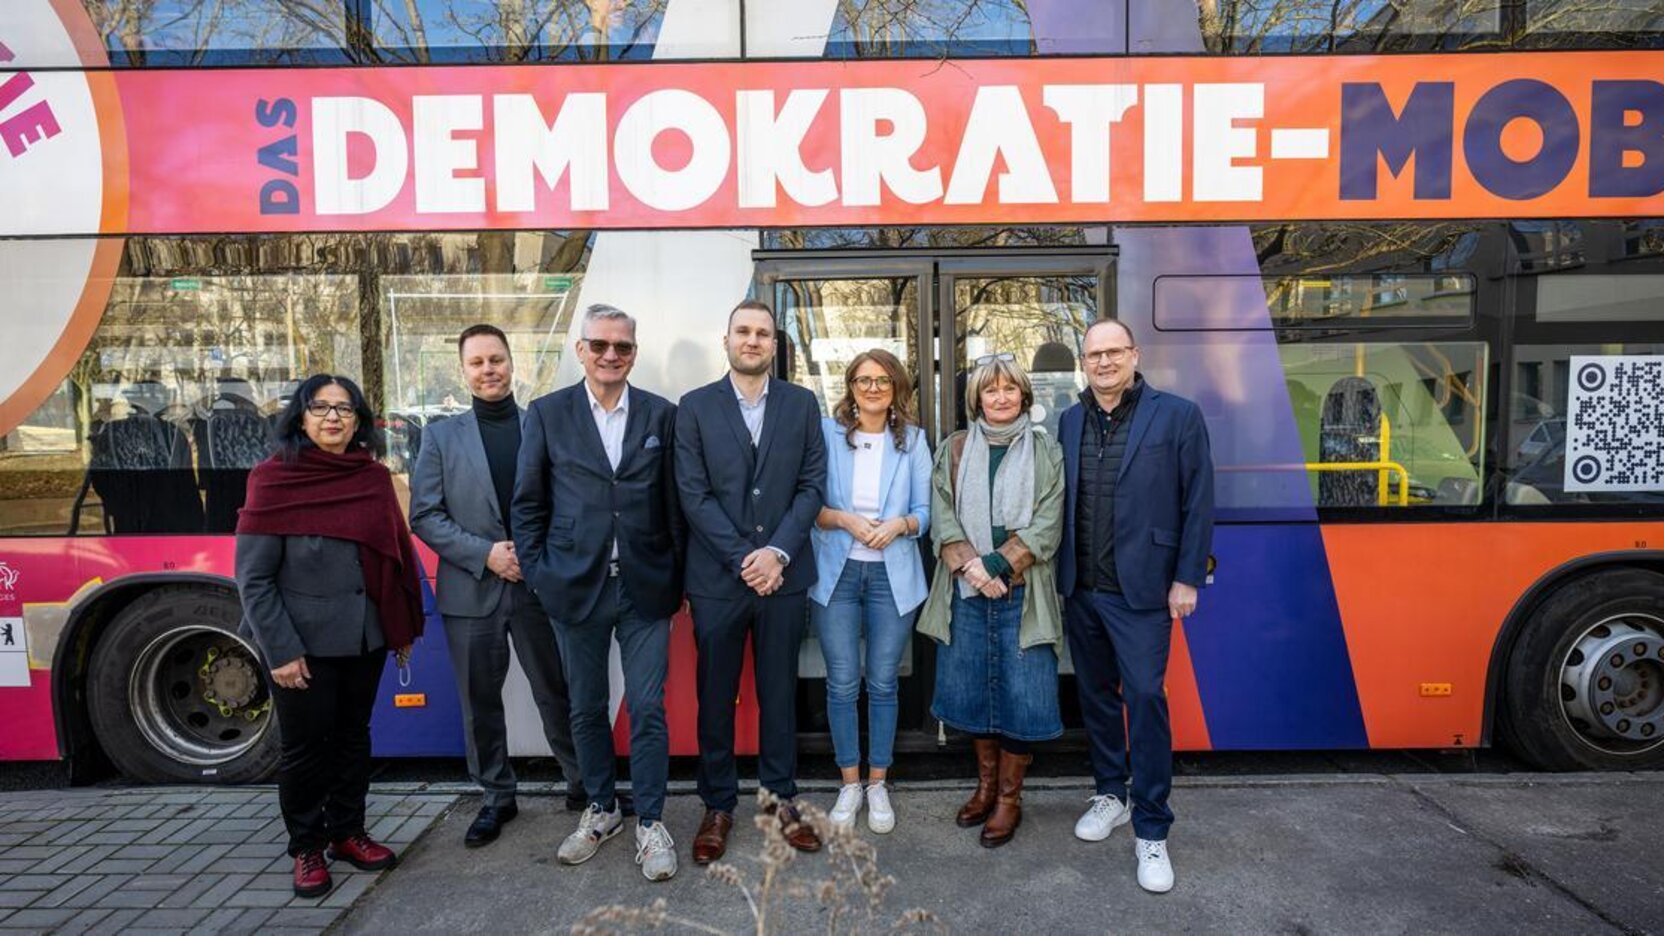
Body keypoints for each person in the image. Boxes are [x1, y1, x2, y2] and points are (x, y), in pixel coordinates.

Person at [513, 304, 684, 882]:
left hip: (645, 588)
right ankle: (602, 809)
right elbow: (528, 504)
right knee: (585, 707)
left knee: (649, 706)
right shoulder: (547, 413)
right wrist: (540, 574)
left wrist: (677, 577)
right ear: (581, 350)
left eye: (623, 347)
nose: (612, 355)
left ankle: (651, 821)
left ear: (634, 352)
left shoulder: (663, 415)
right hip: (574, 586)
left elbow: (675, 505)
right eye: (601, 345)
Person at [235, 374, 423, 899]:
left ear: (359, 421)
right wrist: (282, 650)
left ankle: (348, 833)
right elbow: (253, 578)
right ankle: (306, 847)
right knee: (304, 749)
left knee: (352, 740)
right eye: (320, 407)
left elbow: (394, 558)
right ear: (300, 417)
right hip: (303, 646)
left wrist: (399, 626)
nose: (333, 417)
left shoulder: (371, 477)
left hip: (364, 638)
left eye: (345, 409)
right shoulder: (274, 480)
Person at [409, 324, 584, 850]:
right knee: (479, 701)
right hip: (471, 589)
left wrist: (533, 557)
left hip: (538, 588)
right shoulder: (440, 437)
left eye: (497, 360)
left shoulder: (542, 425)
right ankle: (496, 797)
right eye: (478, 362)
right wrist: (485, 554)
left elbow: (567, 506)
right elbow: (424, 515)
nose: (489, 370)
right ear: (463, 371)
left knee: (558, 691)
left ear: (513, 363)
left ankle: (584, 785)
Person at [1059, 318, 1214, 894]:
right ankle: (1110, 794)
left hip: (1144, 591)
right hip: (1082, 588)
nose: (1103, 362)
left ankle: (1152, 829)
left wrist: (1187, 578)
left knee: (1145, 698)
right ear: (1084, 362)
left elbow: (1198, 501)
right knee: (1095, 697)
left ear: (1134, 355)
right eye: (1093, 354)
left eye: (1113, 352)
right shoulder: (1069, 420)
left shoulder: (1176, 415)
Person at [675, 298, 826, 864]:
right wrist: (748, 559)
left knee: (779, 695)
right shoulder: (693, 408)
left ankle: (781, 800)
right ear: (728, 339)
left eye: (764, 333)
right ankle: (717, 806)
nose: (754, 340)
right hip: (719, 580)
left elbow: (812, 485)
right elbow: (693, 494)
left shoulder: (801, 403)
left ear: (774, 344)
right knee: (715, 698)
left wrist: (778, 553)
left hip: (783, 578)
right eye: (744, 331)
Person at [917, 352, 1065, 849]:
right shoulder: (955, 448)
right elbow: (941, 514)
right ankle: (983, 787)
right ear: (976, 398)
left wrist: (996, 566)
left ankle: (1009, 798)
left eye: (1008, 389)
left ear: (1024, 394)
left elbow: (1049, 521)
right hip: (966, 592)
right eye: (989, 390)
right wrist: (973, 570)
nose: (1000, 398)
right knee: (978, 693)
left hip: (1023, 596)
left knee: (1021, 697)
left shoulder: (1047, 450)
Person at [810, 349, 931, 833]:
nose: (873, 388)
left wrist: (900, 524)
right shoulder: (827, 434)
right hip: (836, 574)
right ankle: (849, 783)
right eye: (864, 380)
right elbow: (810, 505)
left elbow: (926, 513)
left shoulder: (915, 441)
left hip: (892, 578)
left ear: (896, 386)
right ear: (851, 386)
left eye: (883, 380)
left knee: (882, 681)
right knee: (841, 681)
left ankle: (878, 783)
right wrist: (845, 520)